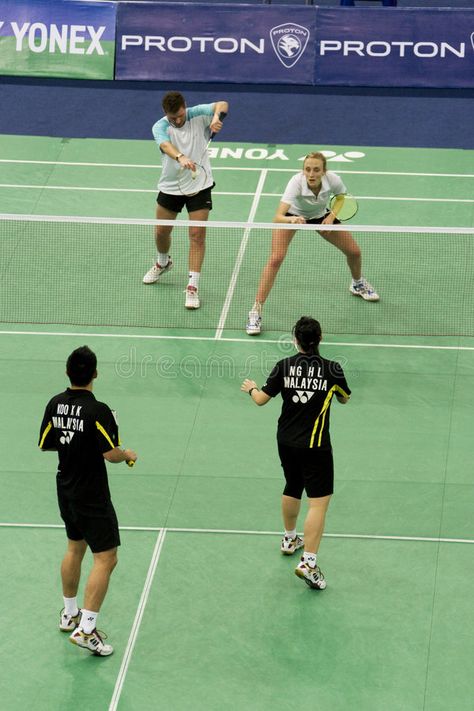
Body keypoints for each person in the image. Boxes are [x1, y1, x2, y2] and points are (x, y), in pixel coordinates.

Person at [38, 346, 137, 656]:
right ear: (95, 373)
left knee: (74, 547)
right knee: (106, 558)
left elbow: (46, 443)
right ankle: (87, 628)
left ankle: (69, 613)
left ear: (68, 372)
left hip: (65, 487)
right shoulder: (98, 411)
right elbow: (111, 454)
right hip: (91, 494)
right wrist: (128, 455)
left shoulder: (54, 404)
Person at [240, 317, 350, 589]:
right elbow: (345, 397)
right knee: (318, 502)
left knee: (293, 484)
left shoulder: (284, 366)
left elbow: (261, 400)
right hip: (315, 445)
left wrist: (251, 388)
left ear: (295, 340)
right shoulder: (332, 370)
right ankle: (309, 563)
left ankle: (290, 538)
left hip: (285, 440)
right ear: (320, 338)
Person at [246, 152, 379, 336]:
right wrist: (291, 221)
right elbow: (277, 217)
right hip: (293, 217)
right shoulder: (295, 183)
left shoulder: (333, 179)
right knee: (276, 259)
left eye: (316, 170)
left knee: (354, 251)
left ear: (324, 171)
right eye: (307, 169)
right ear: (303, 171)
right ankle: (256, 311)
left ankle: (357, 283)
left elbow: (341, 197)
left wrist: (331, 217)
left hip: (320, 216)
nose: (311, 174)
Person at [143, 90, 229, 310]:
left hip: (200, 185)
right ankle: (163, 262)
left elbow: (222, 103)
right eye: (174, 117)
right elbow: (165, 145)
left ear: (185, 107)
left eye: (180, 115)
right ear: (166, 113)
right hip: (171, 186)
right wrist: (180, 157)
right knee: (162, 231)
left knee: (197, 235)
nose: (178, 120)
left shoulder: (196, 114)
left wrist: (217, 119)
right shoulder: (160, 126)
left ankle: (192, 287)